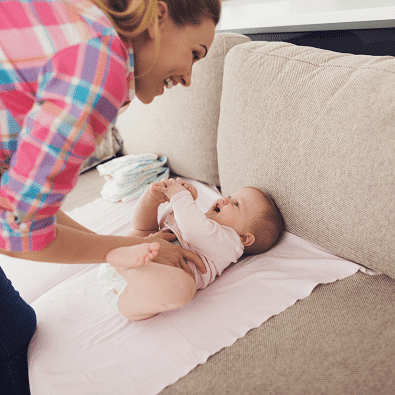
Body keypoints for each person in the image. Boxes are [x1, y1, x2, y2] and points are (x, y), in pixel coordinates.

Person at [0, 0, 220, 393]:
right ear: (160, 15)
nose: (188, 78)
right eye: (194, 54)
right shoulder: (99, 63)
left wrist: (119, 246)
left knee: (18, 327)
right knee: (11, 342)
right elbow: (19, 235)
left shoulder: (76, 21)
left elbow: (16, 204)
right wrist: (115, 250)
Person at [99, 178, 284, 320]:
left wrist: (181, 197)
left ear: (245, 238)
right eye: (229, 197)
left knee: (182, 290)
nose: (225, 200)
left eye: (236, 204)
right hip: (137, 251)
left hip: (134, 291)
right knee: (144, 229)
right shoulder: (202, 221)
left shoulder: (231, 245)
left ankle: (125, 263)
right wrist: (160, 200)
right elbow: (172, 222)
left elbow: (194, 228)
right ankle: (149, 197)